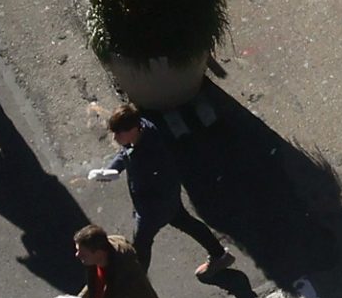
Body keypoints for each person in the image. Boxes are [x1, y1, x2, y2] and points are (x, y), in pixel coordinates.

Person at [84, 104, 233, 279]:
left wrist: (147, 212)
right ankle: (219, 254)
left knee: (141, 246)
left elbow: (132, 158)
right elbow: (126, 152)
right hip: (167, 199)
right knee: (186, 222)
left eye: (119, 133)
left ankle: (138, 283)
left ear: (133, 129)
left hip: (153, 208)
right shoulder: (142, 129)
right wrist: (112, 170)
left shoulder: (149, 153)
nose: (115, 138)